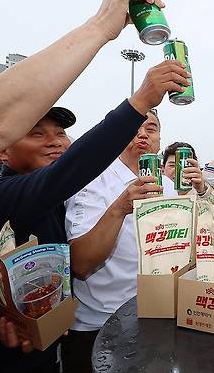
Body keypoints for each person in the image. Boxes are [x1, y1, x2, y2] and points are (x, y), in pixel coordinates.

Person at [0, 0, 164, 373]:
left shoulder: (47, 201)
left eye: (60, 133)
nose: (54, 141)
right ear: (0, 149)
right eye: (35, 132)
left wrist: (0, 316)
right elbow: (61, 176)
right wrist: (139, 102)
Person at [61, 111, 177, 373]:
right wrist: (119, 208)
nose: (143, 133)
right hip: (99, 326)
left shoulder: (168, 187)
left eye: (152, 128)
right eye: (134, 126)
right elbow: (80, 263)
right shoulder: (91, 180)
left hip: (157, 318)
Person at [161, 142, 214, 208]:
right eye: (172, 165)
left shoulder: (203, 189)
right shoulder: (156, 191)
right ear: (163, 169)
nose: (178, 170)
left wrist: (202, 190)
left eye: (184, 165)